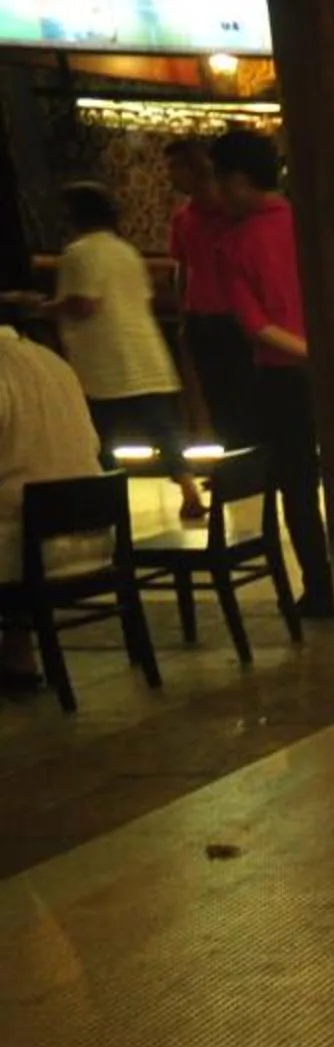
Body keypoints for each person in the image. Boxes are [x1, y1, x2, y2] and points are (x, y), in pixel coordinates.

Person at [208, 128, 333, 617]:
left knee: (298, 487)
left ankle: (321, 588)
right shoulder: (315, 222)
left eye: (219, 180)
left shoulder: (233, 244)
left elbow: (256, 326)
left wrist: (307, 354)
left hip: (284, 379)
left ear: (238, 181)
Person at [36, 183, 204, 516]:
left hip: (105, 365)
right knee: (164, 433)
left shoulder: (78, 253)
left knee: (99, 439)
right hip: (149, 358)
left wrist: (40, 308)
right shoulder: (126, 251)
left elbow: (84, 304)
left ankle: (106, 509)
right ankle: (189, 489)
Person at [0, 323, 108, 691]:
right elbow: (92, 445)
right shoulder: (54, 362)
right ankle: (18, 654)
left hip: (26, 549)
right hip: (89, 531)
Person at [167, 136, 250, 457]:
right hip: (202, 317)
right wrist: (183, 315)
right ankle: (233, 460)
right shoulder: (183, 218)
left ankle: (252, 462)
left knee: (244, 395)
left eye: (176, 167)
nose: (172, 176)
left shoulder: (230, 214)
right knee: (216, 398)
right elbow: (182, 269)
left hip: (236, 314)